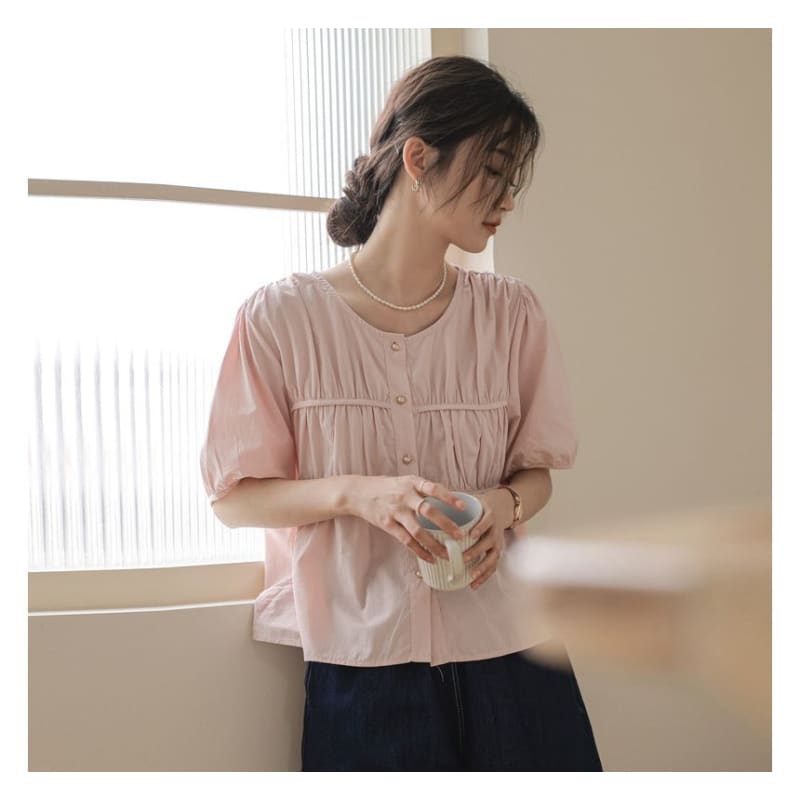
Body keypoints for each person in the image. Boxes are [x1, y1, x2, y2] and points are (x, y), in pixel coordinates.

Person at [199, 54, 602, 771]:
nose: (507, 198)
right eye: (493, 170)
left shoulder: (510, 314)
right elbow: (235, 498)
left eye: (512, 179)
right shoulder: (281, 318)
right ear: (418, 158)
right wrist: (359, 494)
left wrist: (501, 507)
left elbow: (536, 472)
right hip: (363, 663)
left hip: (515, 652)